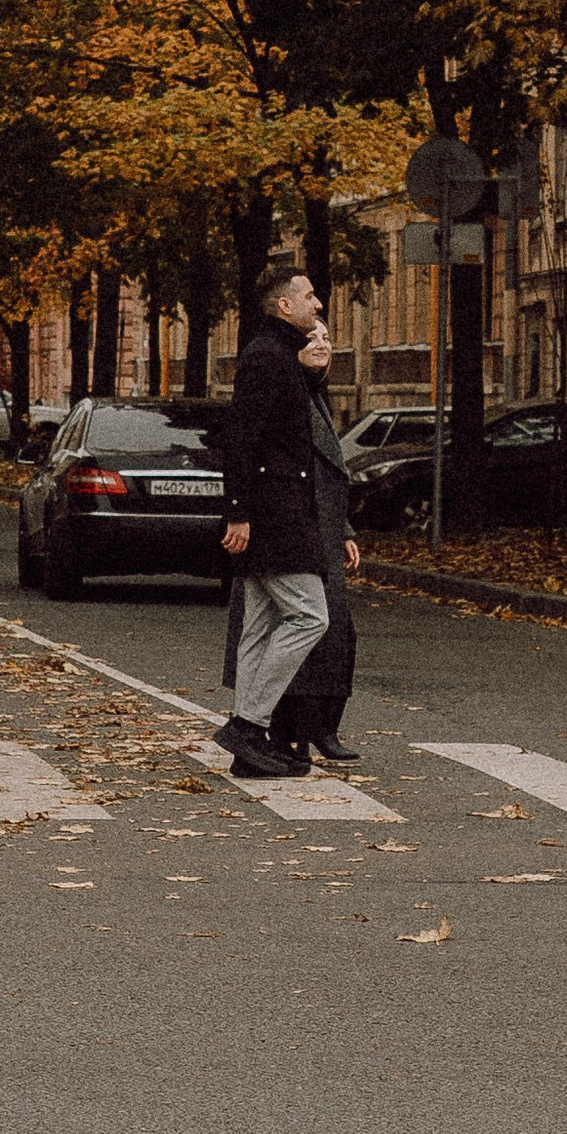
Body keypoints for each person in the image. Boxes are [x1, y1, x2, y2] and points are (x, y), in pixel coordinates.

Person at [217, 255, 358, 780]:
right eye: (309, 297)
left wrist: (314, 374)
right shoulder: (265, 357)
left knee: (259, 627)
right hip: (274, 516)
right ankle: (249, 726)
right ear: (284, 305)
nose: (317, 304)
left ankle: (247, 748)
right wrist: (239, 512)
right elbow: (242, 438)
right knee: (310, 617)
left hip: (274, 512)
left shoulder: (282, 356)